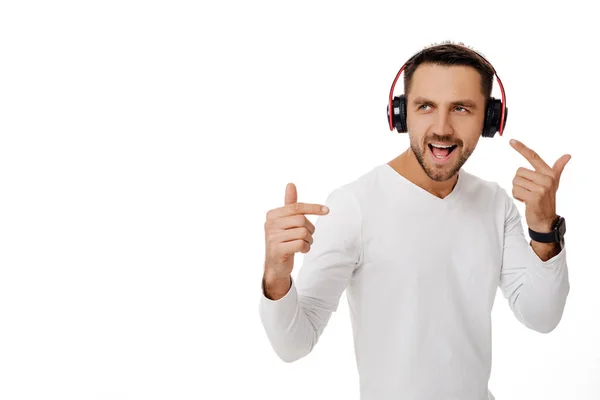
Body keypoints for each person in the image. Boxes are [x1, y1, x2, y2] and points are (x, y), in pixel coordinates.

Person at [258, 42, 570, 400]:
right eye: (425, 106)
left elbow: (542, 316)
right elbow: (293, 344)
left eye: (461, 109)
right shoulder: (354, 205)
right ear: (402, 114)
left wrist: (544, 226)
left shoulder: (495, 203)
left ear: (489, 119)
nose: (442, 128)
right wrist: (276, 275)